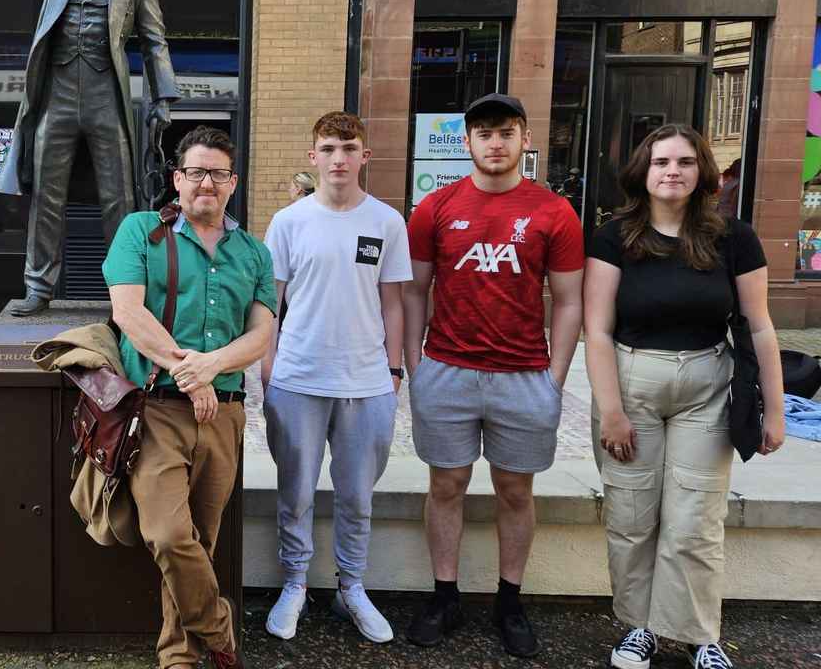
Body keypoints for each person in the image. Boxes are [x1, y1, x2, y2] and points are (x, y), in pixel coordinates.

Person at [584, 124, 785, 669]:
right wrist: (611, 412)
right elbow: (596, 330)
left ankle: (699, 634)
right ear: (643, 173)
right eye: (661, 162)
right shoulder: (613, 238)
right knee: (632, 516)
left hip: (706, 388)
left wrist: (775, 407)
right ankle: (638, 628)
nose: (672, 171)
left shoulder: (734, 238)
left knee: (695, 519)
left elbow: (760, 326)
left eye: (685, 162)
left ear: (703, 173)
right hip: (632, 385)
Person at [402, 93, 584, 659]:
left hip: (524, 375)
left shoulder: (554, 212)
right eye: (484, 133)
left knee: (514, 489)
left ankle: (509, 600)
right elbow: (413, 291)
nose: (495, 143)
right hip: (448, 371)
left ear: (525, 139)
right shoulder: (434, 208)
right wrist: (416, 365)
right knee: (446, 485)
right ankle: (445, 595)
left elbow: (570, 301)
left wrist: (554, 377)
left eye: (506, 132)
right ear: (467, 143)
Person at [104, 126, 277, 669]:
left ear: (233, 184)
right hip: (157, 408)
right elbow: (128, 314)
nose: (207, 182)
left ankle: (179, 657)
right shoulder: (140, 232)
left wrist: (214, 368)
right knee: (168, 533)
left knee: (202, 536)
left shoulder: (254, 251)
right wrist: (191, 374)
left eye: (219, 174)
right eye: (196, 172)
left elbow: (260, 335)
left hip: (223, 415)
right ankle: (220, 633)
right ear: (177, 180)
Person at [0, 0, 179, 316]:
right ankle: (38, 286)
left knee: (119, 199)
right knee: (48, 195)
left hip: (108, 96)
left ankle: (125, 289)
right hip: (58, 95)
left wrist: (163, 98)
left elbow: (154, 42)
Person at [262, 112, 410, 643]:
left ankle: (352, 586)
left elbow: (394, 304)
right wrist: (268, 369)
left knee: (357, 497)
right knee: (295, 492)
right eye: (327, 149)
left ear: (364, 156)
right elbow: (269, 303)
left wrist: (394, 372)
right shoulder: (288, 222)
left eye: (348, 148)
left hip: (367, 383)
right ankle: (295, 583)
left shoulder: (387, 222)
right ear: (313, 157)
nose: (338, 158)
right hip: (298, 379)